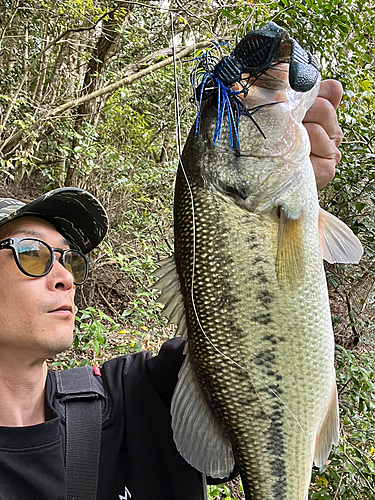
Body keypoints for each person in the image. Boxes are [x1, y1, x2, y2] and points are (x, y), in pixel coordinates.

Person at [0, 79, 343, 500]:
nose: (65, 276)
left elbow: (229, 351)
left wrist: (291, 191)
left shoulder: (133, 396)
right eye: (33, 254)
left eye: (70, 258)